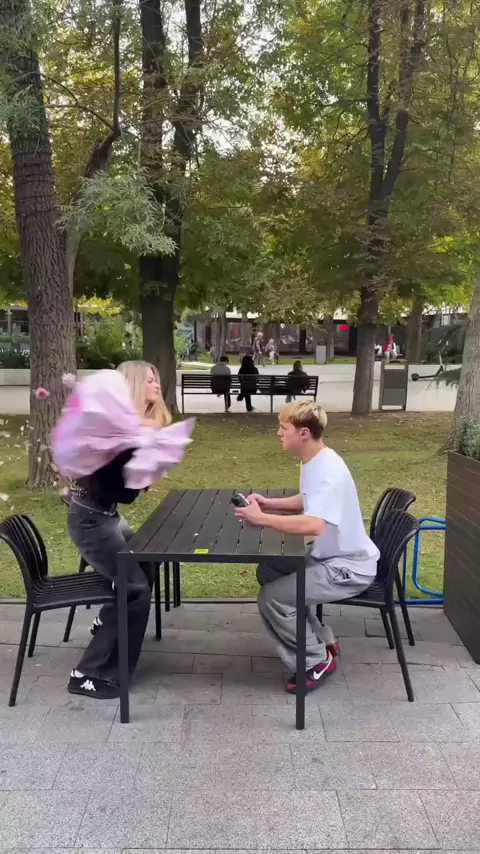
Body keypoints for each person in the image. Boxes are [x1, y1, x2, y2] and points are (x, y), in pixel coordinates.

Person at [234, 401, 379, 695]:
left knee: (272, 599)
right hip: (330, 557)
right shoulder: (315, 460)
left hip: (347, 568)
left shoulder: (328, 472)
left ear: (303, 433)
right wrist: (269, 503)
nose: (278, 433)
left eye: (283, 428)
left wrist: (262, 519)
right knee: (269, 571)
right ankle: (323, 639)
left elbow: (314, 525)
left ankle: (316, 659)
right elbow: (307, 498)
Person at [66, 360, 171, 700]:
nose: (156, 384)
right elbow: (116, 490)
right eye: (150, 379)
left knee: (147, 563)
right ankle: (88, 672)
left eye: (156, 379)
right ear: (136, 384)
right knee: (134, 589)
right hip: (92, 520)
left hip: (104, 515)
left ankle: (106, 622)